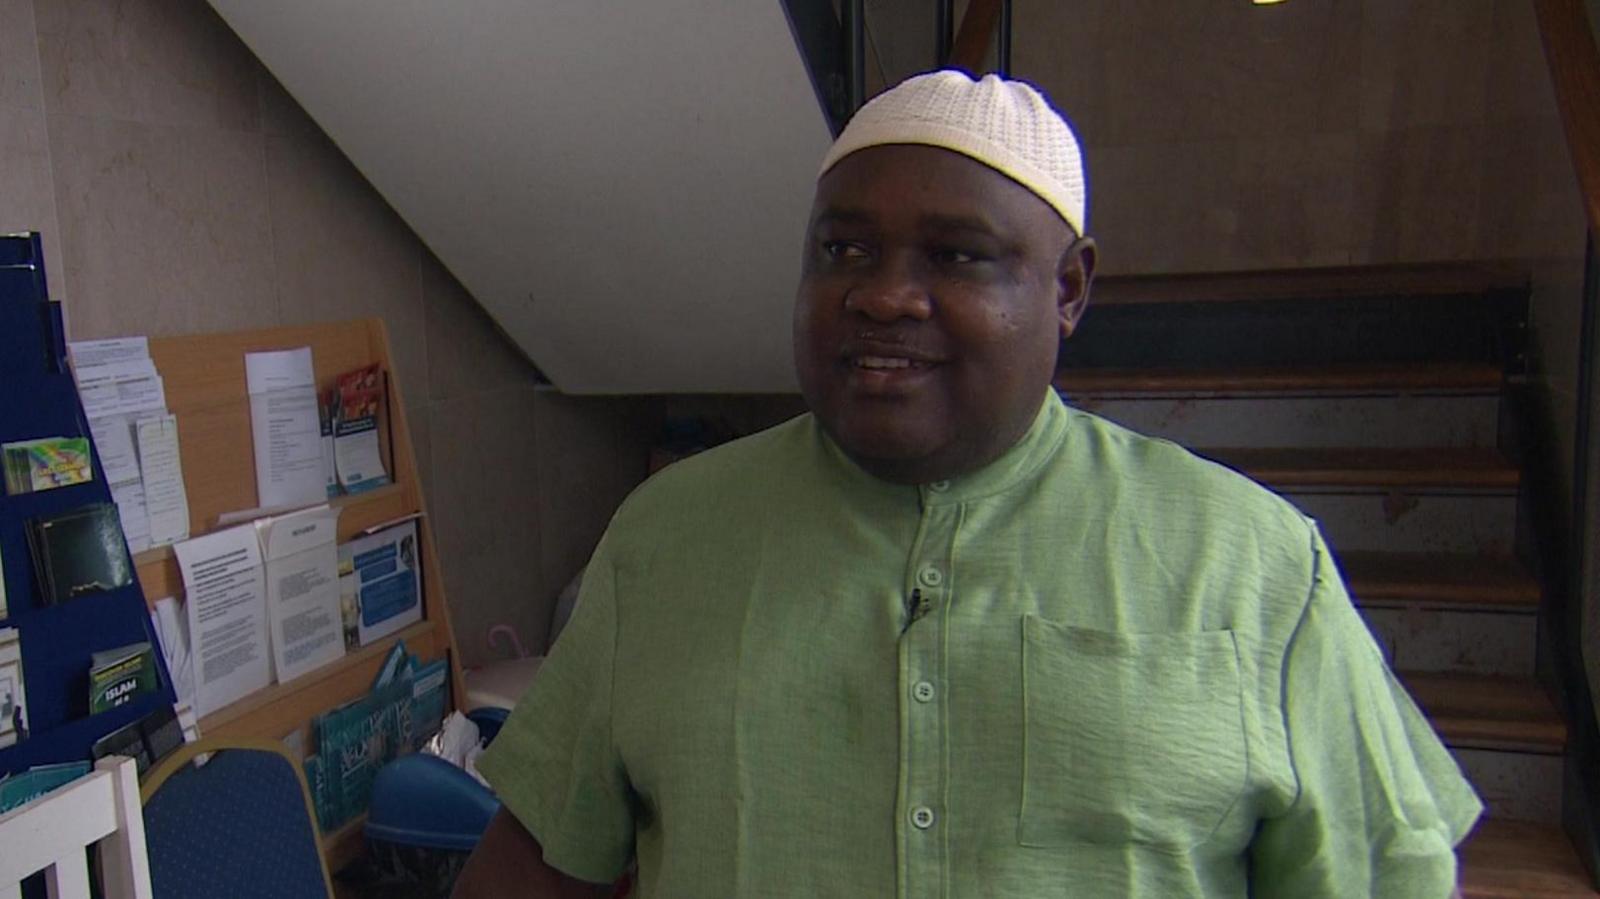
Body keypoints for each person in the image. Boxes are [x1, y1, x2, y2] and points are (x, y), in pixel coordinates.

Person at [453, 70, 1482, 898]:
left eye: (956, 254)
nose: (884, 293)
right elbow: (542, 856)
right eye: (843, 246)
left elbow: (1384, 867)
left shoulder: (1247, 560)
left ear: (1068, 288)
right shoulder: (666, 537)